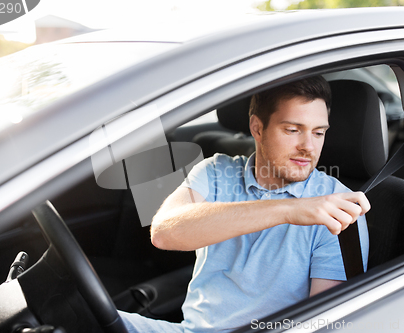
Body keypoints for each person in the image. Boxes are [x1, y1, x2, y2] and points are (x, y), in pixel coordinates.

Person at [119, 75, 370, 333]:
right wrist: (289, 209)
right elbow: (163, 233)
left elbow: (324, 324)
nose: (308, 146)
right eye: (293, 130)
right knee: (83, 316)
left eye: (318, 133)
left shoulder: (339, 208)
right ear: (257, 128)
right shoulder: (216, 171)